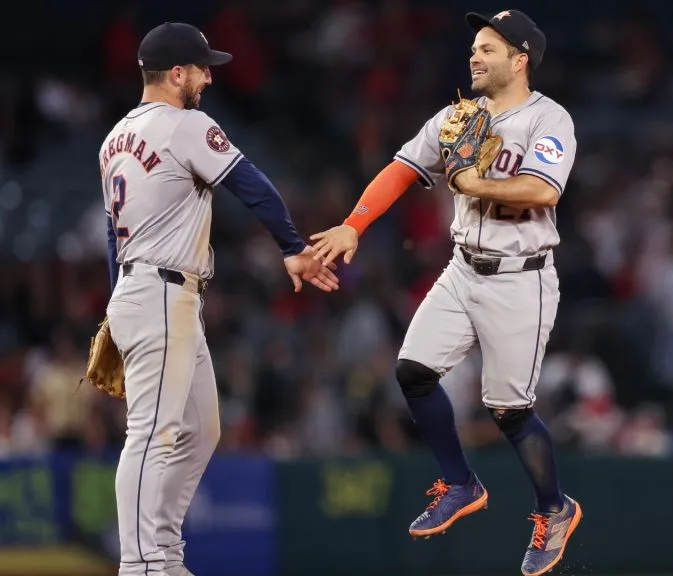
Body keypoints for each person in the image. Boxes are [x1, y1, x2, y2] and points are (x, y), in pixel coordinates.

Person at [309, 9, 581, 576]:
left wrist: (468, 180)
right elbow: (402, 169)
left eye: (488, 48)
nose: (474, 56)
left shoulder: (549, 119)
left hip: (520, 276)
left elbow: (541, 190)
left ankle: (555, 509)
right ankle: (460, 482)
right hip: (463, 268)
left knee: (508, 411)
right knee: (412, 370)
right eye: (474, 48)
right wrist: (353, 225)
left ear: (520, 58)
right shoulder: (460, 117)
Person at [99, 22, 338, 576]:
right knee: (152, 434)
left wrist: (117, 302)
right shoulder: (184, 125)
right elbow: (250, 183)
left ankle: (164, 554)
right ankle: (138, 565)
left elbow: (113, 236)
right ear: (176, 73)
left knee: (202, 429)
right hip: (159, 295)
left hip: (149, 291)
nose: (209, 77)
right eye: (203, 68)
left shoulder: (113, 138)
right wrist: (293, 247)